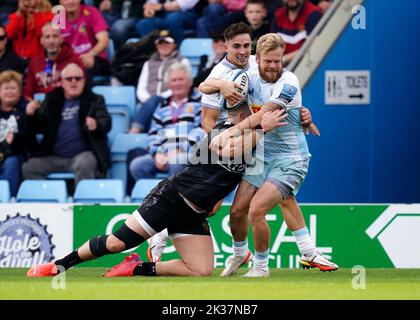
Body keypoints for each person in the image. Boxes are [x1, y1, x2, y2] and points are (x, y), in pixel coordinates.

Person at [27, 102, 286, 277]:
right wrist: (262, 129)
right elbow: (227, 151)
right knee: (118, 243)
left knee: (201, 270)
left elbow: (227, 182)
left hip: (193, 213)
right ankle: (59, 265)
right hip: (171, 198)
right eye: (243, 114)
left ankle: (137, 268)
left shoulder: (256, 146)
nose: (237, 116)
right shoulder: (224, 131)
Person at [208, 33, 338, 277]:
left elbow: (265, 114)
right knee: (237, 212)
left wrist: (228, 135)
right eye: (268, 61)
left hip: (291, 159)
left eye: (278, 61)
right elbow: (209, 88)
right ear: (257, 59)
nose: (273, 66)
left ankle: (261, 267)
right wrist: (222, 85)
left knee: (256, 210)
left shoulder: (289, 82)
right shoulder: (248, 76)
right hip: (262, 157)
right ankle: (241, 254)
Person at [22, 63, 111, 185]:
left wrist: (97, 124)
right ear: (62, 82)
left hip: (81, 156)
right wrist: (31, 115)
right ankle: (53, 198)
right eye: (69, 79)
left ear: (84, 81)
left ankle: (82, 200)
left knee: (86, 162)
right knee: (29, 167)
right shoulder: (52, 99)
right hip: (53, 157)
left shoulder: (94, 99)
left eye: (78, 78)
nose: (73, 82)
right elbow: (38, 126)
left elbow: (106, 123)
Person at [129, 62, 203, 180]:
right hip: (164, 152)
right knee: (137, 166)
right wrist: (156, 154)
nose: (177, 83)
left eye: (181, 79)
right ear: (169, 85)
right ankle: (154, 196)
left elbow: (201, 131)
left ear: (189, 82)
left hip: (189, 152)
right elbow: (153, 133)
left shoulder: (199, 102)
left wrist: (179, 150)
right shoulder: (162, 106)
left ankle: (175, 197)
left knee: (176, 162)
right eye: (174, 80)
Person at [23, 22, 84, 100]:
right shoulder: (34, 63)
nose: (51, 41)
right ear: (42, 41)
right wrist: (31, 103)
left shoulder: (74, 60)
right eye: (47, 37)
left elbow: (82, 87)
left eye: (55, 36)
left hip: (66, 104)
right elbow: (28, 92)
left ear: (61, 39)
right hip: (41, 107)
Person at [0, 70, 35, 196]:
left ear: (20, 92)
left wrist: (14, 139)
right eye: (6, 88)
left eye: (13, 88)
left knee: (11, 163)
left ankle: (6, 201)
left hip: (17, 154)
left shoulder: (25, 111)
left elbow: (30, 139)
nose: (9, 91)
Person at [59, 0, 110, 78]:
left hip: (93, 58)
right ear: (60, 1)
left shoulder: (92, 12)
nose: (70, 2)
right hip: (70, 61)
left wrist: (90, 54)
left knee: (81, 69)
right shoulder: (57, 19)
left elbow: (104, 41)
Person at [271, 0, 322, 65]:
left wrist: (283, 59)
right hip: (280, 65)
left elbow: (313, 46)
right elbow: (271, 45)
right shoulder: (278, 15)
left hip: (303, 65)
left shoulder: (313, 14)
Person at [135, 0, 200, 44]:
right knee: (143, 24)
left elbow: (181, 5)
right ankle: (151, 54)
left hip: (188, 15)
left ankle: (177, 52)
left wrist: (159, 6)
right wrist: (148, 10)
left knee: (173, 19)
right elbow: (150, 3)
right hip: (164, 15)